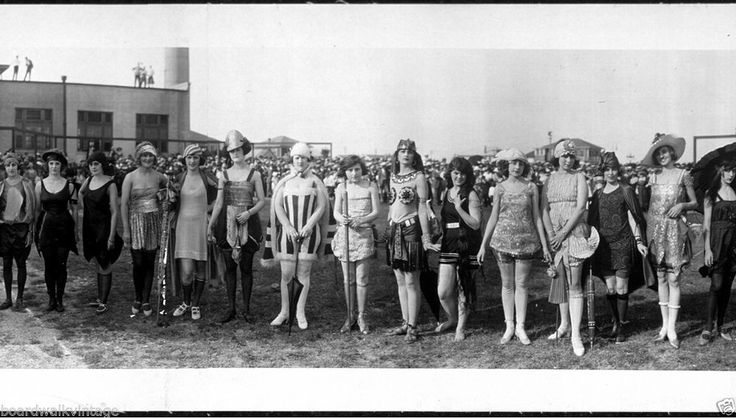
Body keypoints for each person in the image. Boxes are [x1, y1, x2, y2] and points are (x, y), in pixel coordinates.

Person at [479, 149, 550, 345]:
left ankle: (520, 326)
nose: (516, 167)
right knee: (507, 285)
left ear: (524, 166)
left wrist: (544, 245)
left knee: (522, 284)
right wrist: (483, 245)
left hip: (526, 242)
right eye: (513, 163)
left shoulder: (531, 187)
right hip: (502, 242)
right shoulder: (499, 187)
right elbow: (493, 216)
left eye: (520, 163)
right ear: (506, 166)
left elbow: (537, 217)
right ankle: (509, 325)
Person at [641, 134, 697, 349]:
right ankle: (663, 326)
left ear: (671, 152)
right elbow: (648, 207)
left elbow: (694, 201)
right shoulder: (652, 177)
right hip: (655, 231)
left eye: (664, 151)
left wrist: (682, 206)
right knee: (661, 277)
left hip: (674, 230)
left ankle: (672, 328)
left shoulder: (684, 175)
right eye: (658, 153)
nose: (662, 156)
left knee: (674, 279)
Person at [587, 151, 648, 343]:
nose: (611, 173)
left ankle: (621, 326)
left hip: (623, 244)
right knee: (611, 288)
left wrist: (639, 242)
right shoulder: (597, 195)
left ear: (618, 171)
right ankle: (615, 322)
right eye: (607, 170)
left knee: (622, 287)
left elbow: (634, 218)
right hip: (604, 247)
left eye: (614, 169)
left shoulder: (626, 190)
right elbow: (592, 222)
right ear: (602, 172)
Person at [269, 142, 328, 330]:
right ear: (292, 159)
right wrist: (286, 226)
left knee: (303, 273)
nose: (300, 160)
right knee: (286, 274)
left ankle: (300, 312)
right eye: (296, 157)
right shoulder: (284, 181)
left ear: (308, 159)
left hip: (308, 234)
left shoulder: (315, 181)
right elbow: (277, 206)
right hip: (287, 234)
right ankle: (284, 312)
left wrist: (310, 225)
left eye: (303, 157)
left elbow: (321, 206)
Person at [541, 139, 592, 357]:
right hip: (555, 237)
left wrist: (563, 233)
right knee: (559, 280)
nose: (568, 160)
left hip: (574, 234)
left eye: (571, 156)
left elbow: (581, 207)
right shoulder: (548, 180)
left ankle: (576, 335)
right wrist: (553, 234)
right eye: (564, 155)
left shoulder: (580, 177)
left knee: (574, 283)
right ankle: (564, 325)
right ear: (557, 157)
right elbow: (543, 209)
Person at [207, 132, 264, 323]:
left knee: (246, 269)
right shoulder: (223, 175)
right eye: (231, 151)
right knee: (230, 268)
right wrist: (211, 225)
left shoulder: (254, 174)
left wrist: (249, 213)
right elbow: (219, 203)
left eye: (238, 149)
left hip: (248, 223)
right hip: (228, 225)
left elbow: (262, 201)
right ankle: (231, 308)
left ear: (244, 149)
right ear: (228, 153)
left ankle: (246, 309)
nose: (235, 153)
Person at [385, 139, 439, 343]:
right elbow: (391, 205)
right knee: (400, 279)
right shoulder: (392, 177)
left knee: (411, 280)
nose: (406, 154)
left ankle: (413, 326)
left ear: (415, 155)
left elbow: (424, 207)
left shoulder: (419, 177)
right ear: (397, 154)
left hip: (411, 230)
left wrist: (425, 237)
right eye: (402, 151)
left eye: (410, 151)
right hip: (394, 229)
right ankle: (406, 321)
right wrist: (387, 228)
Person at [434, 157, 483, 341]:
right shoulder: (446, 191)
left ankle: (461, 327)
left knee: (464, 288)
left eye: (463, 173)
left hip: (467, 245)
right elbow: (445, 221)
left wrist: (460, 209)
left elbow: (476, 224)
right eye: (455, 173)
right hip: (448, 244)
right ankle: (452, 319)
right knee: (443, 292)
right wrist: (437, 236)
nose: (459, 177)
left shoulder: (471, 194)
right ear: (450, 173)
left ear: (468, 175)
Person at [120, 141, 169, 317]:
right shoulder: (130, 177)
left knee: (149, 262)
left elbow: (171, 190)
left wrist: (167, 196)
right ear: (139, 157)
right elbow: (124, 204)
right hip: (136, 221)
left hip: (153, 221)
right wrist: (126, 230)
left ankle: (146, 299)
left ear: (154, 158)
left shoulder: (159, 176)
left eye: (151, 156)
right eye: (144, 155)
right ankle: (138, 297)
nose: (147, 158)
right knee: (138, 262)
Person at [332, 155, 379, 334]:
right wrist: (341, 218)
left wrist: (361, 219)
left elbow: (376, 212)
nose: (354, 173)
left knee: (362, 279)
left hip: (364, 235)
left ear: (362, 169)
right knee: (348, 279)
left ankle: (361, 316)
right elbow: (336, 211)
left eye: (357, 169)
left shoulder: (371, 187)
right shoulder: (341, 187)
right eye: (350, 170)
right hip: (345, 235)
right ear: (345, 172)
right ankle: (350, 315)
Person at [171, 145, 218, 321]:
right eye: (189, 158)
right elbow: (171, 199)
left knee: (200, 268)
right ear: (185, 159)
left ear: (200, 160)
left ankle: (196, 304)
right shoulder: (179, 178)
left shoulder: (207, 177)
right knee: (186, 271)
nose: (192, 161)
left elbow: (222, 191)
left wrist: (210, 208)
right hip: (183, 227)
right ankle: (186, 301)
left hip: (201, 226)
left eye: (195, 158)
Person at [79, 152, 123, 314]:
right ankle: (100, 298)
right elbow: (80, 193)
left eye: (96, 164)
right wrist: (87, 210)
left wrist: (111, 236)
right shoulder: (89, 180)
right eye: (91, 164)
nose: (93, 167)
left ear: (103, 165)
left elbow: (114, 212)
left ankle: (104, 302)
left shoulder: (110, 184)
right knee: (98, 261)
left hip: (104, 228)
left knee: (105, 263)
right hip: (91, 228)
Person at [35, 149, 78, 312]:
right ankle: (51, 298)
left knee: (61, 264)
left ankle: (60, 299)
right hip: (47, 228)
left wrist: (76, 231)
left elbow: (74, 211)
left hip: (64, 228)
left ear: (62, 166)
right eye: (51, 163)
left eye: (57, 163)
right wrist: (36, 231)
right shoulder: (40, 184)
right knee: (49, 264)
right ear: (47, 165)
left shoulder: (70, 185)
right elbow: (37, 211)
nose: (54, 166)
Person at [698, 159, 736, 345]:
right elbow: (706, 225)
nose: (731, 174)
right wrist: (707, 250)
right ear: (721, 170)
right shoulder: (710, 194)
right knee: (717, 285)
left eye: (734, 171)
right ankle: (707, 327)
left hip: (733, 244)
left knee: (728, 285)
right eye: (728, 170)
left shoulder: (734, 192)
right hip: (717, 243)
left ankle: (720, 325)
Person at [0, 153, 36, 311]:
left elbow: (32, 209)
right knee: (6, 264)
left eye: (13, 165)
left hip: (21, 229)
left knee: (21, 263)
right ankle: (8, 298)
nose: (11, 168)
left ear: (18, 166)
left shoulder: (26, 184)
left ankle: (20, 298)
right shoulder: (1, 185)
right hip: (5, 230)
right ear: (5, 167)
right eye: (8, 165)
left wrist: (30, 229)